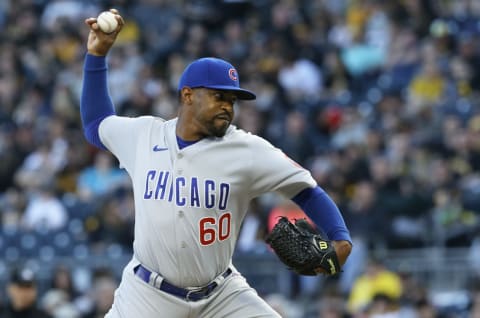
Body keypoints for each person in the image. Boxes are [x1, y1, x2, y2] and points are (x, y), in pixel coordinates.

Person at [80, 9, 352, 318]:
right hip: (147, 296)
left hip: (221, 295)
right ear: (187, 96)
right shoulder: (145, 135)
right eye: (218, 96)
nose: (227, 106)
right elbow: (96, 124)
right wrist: (97, 56)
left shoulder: (247, 149)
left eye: (232, 100)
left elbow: (307, 191)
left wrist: (341, 239)